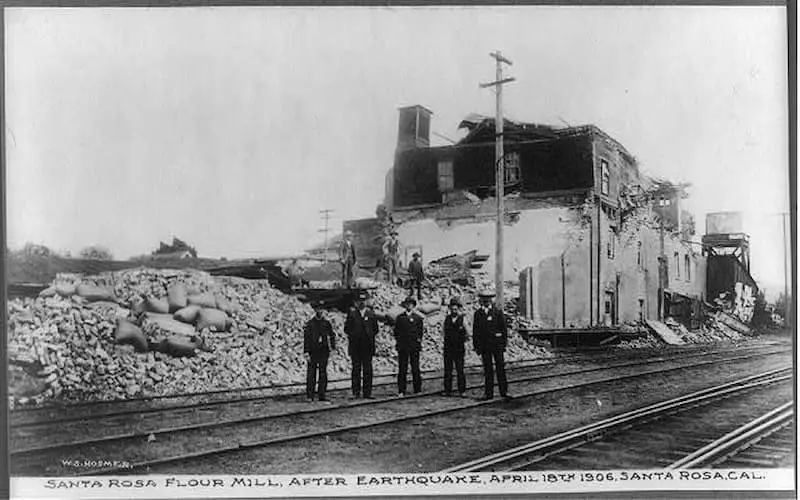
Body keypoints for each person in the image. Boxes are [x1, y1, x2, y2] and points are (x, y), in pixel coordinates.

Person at [472, 290, 510, 400]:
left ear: (491, 300)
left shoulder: (497, 312)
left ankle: (503, 392)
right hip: (485, 346)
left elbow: (503, 329)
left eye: (488, 298)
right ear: (481, 300)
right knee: (487, 370)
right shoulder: (478, 314)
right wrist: (477, 346)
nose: (486, 301)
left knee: (500, 369)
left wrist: (503, 344)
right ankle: (489, 393)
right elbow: (476, 332)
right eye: (484, 299)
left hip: (497, 345)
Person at [344, 290, 378, 399]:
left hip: (367, 346)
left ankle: (367, 393)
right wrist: (355, 335)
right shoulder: (352, 314)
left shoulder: (371, 314)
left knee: (368, 370)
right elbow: (347, 329)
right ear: (356, 302)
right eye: (359, 301)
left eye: (363, 300)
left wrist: (368, 336)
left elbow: (375, 329)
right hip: (356, 346)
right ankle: (356, 392)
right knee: (356, 370)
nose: (361, 303)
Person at [303, 301, 336, 402]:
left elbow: (332, 335)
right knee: (311, 374)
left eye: (321, 309)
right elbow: (306, 339)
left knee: (323, 374)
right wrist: (306, 352)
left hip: (323, 351)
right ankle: (310, 395)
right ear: (315, 310)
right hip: (313, 352)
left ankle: (322, 394)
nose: (320, 311)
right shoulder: (310, 324)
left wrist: (333, 348)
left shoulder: (326, 323)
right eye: (318, 309)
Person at [393, 296, 424, 396]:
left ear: (413, 305)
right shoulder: (400, 318)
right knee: (402, 369)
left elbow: (420, 333)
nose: (409, 306)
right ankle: (401, 390)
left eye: (411, 304)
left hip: (414, 346)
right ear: (405, 305)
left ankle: (417, 389)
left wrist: (418, 342)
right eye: (407, 304)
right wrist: (399, 342)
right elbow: (396, 332)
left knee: (415, 368)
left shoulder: (418, 318)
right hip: (403, 347)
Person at [442, 297, 467, 397]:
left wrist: (462, 341)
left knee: (460, 370)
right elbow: (443, 332)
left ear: (459, 309)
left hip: (459, 348)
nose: (454, 311)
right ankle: (447, 390)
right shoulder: (446, 319)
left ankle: (462, 390)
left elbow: (468, 333)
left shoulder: (463, 319)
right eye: (452, 309)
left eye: (456, 309)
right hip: (448, 348)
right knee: (448, 370)